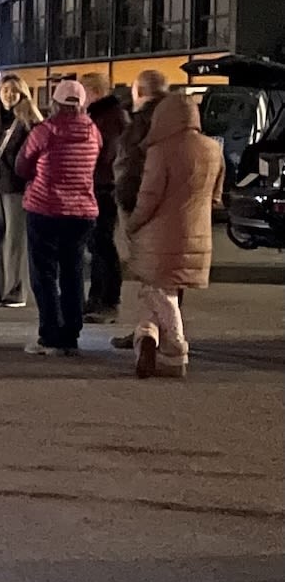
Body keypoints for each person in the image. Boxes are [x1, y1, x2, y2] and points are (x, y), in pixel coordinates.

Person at [120, 87, 219, 377]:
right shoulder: (212, 149)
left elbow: (149, 197)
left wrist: (134, 224)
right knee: (161, 292)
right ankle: (147, 337)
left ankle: (176, 351)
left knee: (157, 291)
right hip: (197, 235)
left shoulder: (161, 151)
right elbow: (216, 196)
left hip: (159, 237)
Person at [17, 78, 105, 356]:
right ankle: (71, 333)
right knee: (73, 271)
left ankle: (49, 334)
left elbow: (22, 166)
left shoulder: (46, 131)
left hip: (45, 208)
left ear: (55, 102)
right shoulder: (93, 132)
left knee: (43, 274)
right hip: (82, 212)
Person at [108, 71, 170, 350]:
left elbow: (131, 165)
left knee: (148, 273)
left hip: (141, 204)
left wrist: (125, 200)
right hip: (169, 206)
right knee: (168, 274)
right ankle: (159, 330)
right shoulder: (175, 120)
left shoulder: (144, 121)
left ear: (141, 91)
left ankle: (150, 332)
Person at [0, 74, 40, 309]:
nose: (9, 94)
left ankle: (14, 292)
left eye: (14, 90)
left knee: (14, 242)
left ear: (22, 93)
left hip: (16, 187)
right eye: (5, 90)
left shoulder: (30, 122)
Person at [79, 72, 129, 322]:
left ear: (93, 92)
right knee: (98, 244)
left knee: (102, 244)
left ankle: (108, 300)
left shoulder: (108, 118)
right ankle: (96, 297)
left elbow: (106, 154)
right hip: (100, 186)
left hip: (103, 187)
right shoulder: (105, 115)